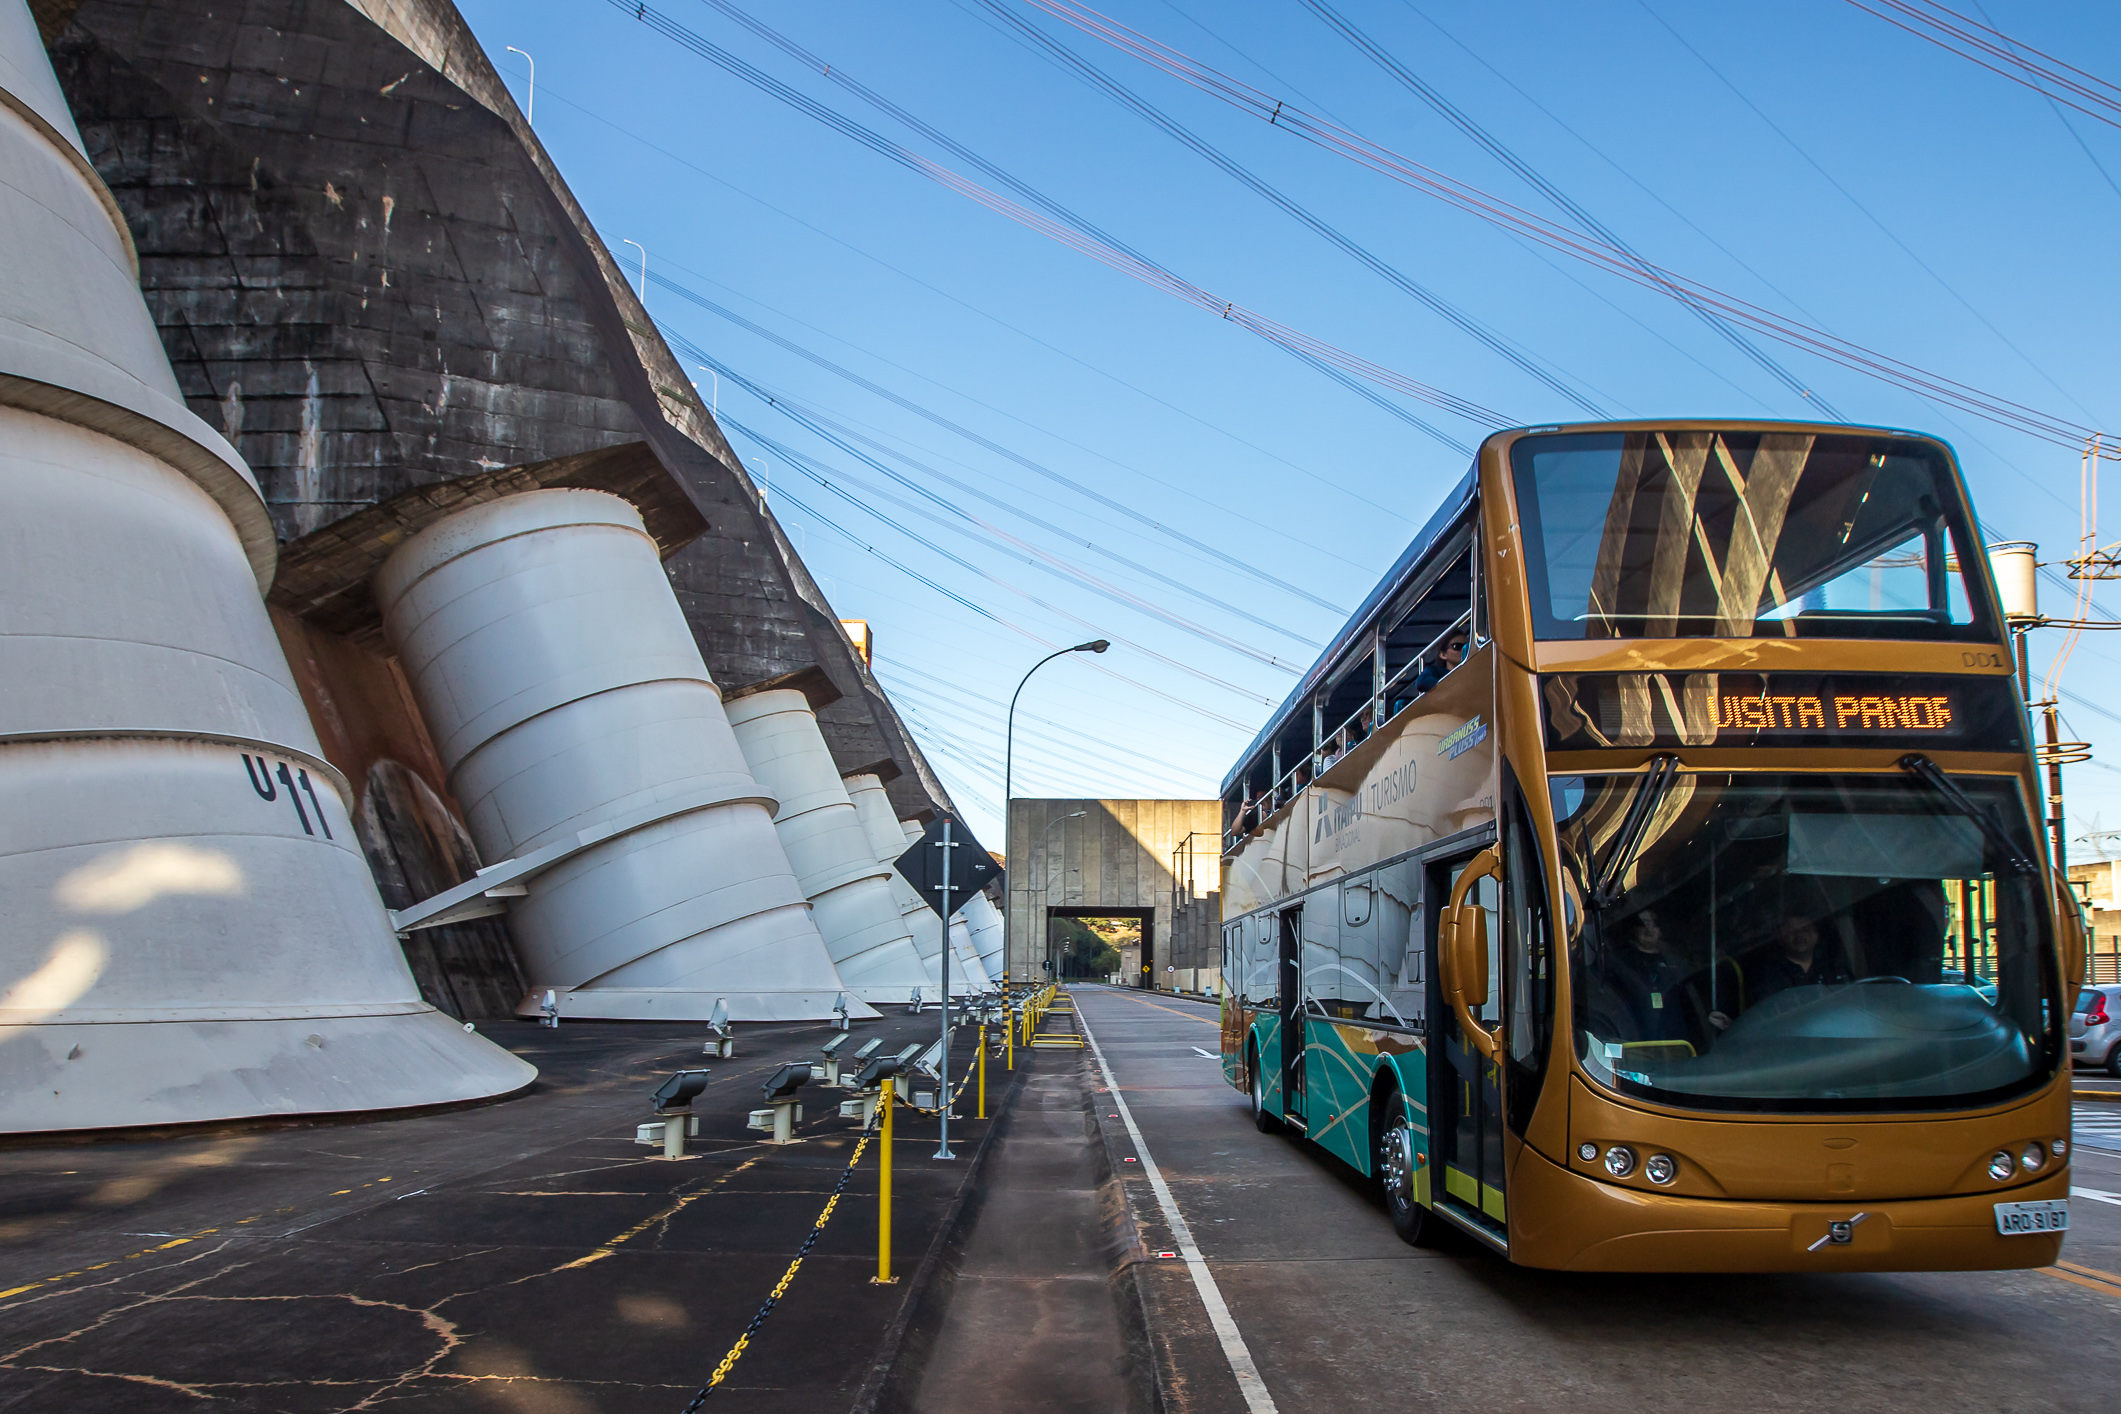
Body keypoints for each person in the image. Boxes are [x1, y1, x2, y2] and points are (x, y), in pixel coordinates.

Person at [1746, 915, 1851, 1002]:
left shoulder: (1833, 966)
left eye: (1805, 930)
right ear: (1780, 937)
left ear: (1815, 936)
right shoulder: (1769, 976)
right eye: (1791, 931)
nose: (1799, 935)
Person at [1411, 630, 1468, 695]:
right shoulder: (1436, 671)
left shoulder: (1474, 668)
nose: (1463, 649)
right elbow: (1421, 682)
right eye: (1456, 646)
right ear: (1443, 655)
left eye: (1467, 646)